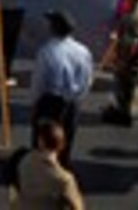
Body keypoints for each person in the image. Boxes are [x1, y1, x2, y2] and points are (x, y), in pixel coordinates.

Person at [30, 9, 93, 167]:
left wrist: (35, 102)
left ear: (53, 28)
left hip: (50, 102)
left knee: (44, 141)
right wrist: (78, 98)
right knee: (65, 140)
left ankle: (41, 172)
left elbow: (39, 81)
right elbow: (87, 78)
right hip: (72, 103)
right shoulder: (83, 51)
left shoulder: (47, 51)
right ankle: (62, 168)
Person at [14, 119, 85, 210]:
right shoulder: (64, 179)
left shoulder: (24, 160)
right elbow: (78, 207)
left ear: (40, 142)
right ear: (62, 145)